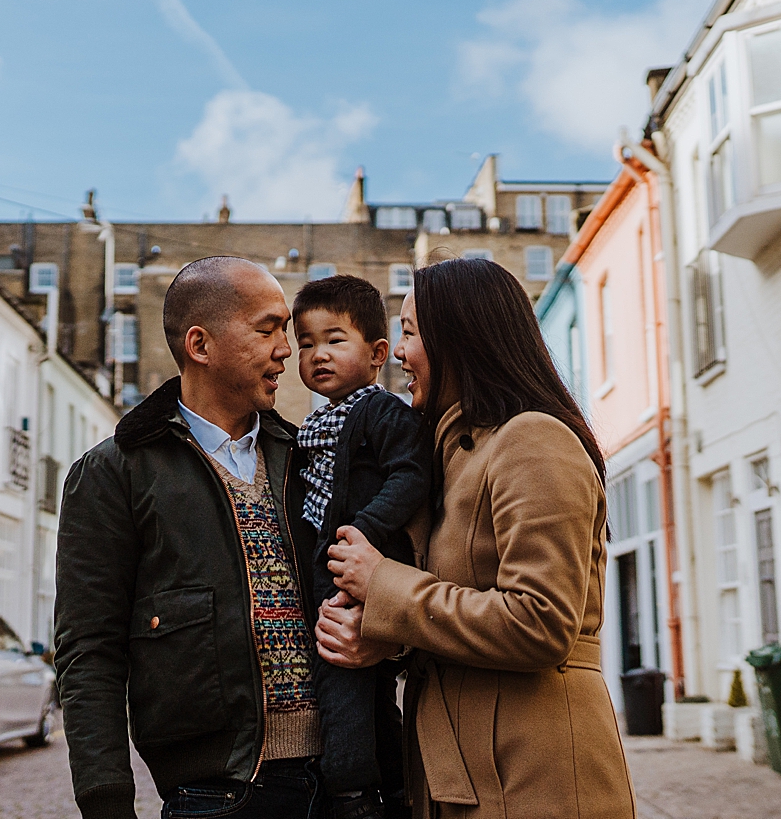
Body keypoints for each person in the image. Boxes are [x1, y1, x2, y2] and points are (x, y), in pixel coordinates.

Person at [316, 257, 635, 819]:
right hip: (459, 775)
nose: (396, 352)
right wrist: (389, 640)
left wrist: (383, 583)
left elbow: (540, 622)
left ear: (459, 337)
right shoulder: (450, 454)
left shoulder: (533, 440)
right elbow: (462, 608)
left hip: (534, 777)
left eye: (410, 333)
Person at [55, 256, 324, 819]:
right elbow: (90, 650)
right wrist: (106, 801)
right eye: (267, 328)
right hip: (216, 794)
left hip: (338, 782)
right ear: (200, 345)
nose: (286, 350)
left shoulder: (308, 459)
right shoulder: (113, 473)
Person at [289, 274, 430, 819]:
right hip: (330, 572)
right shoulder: (310, 426)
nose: (317, 353)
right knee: (368, 699)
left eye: (334, 339)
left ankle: (351, 798)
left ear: (377, 354)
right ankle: (391, 794)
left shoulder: (382, 411)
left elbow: (411, 476)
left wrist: (364, 529)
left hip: (360, 571)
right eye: (305, 343)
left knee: (342, 692)